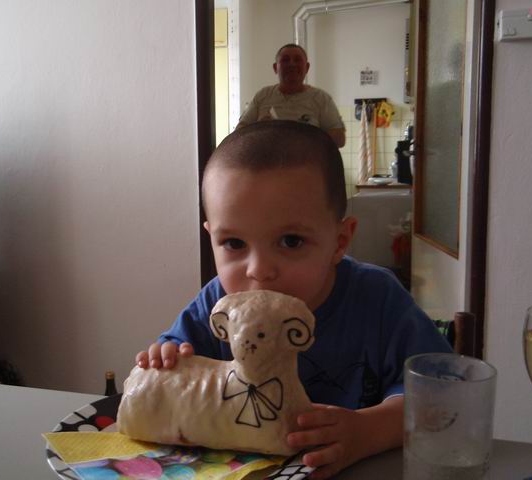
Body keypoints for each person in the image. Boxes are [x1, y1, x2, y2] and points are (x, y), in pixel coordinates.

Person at [136, 121, 451, 478]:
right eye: (234, 243)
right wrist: (164, 357)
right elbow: (174, 359)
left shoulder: (377, 298)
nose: (259, 270)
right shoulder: (216, 302)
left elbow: (441, 393)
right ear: (211, 238)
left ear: (340, 241)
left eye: (291, 241)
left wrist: (368, 431)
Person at [236, 43, 346, 149]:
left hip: (306, 161)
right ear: (275, 68)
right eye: (285, 60)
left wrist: (305, 137)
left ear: (307, 67)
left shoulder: (321, 98)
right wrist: (258, 128)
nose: (292, 64)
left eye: (297, 60)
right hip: (267, 160)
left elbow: (340, 139)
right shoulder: (262, 96)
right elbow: (238, 133)